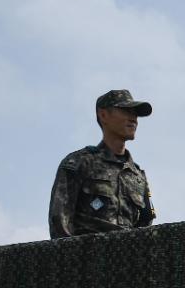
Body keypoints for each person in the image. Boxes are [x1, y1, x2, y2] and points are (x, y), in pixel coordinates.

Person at [48, 89, 156, 238]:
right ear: (104, 115)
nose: (134, 119)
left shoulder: (137, 176)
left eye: (135, 114)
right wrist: (73, 259)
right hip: (86, 256)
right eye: (126, 111)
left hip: (128, 258)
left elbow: (145, 227)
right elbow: (59, 222)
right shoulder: (80, 163)